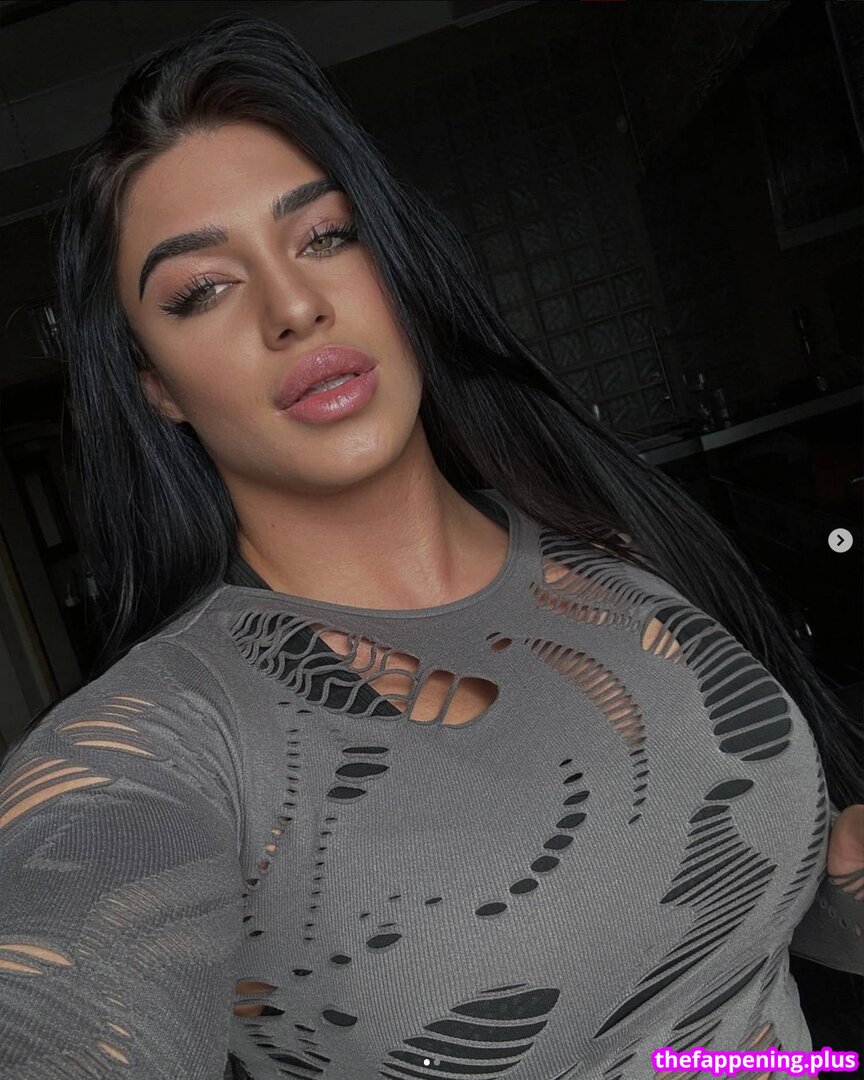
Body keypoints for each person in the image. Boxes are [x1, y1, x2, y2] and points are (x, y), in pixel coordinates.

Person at [0, 14, 861, 1080]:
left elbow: (733, 958)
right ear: (156, 387)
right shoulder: (168, 736)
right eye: (202, 291)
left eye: (326, 236)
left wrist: (839, 886)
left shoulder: (610, 544)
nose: (294, 306)